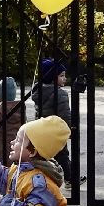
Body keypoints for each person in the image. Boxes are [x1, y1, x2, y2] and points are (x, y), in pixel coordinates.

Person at [32, 58, 78, 190]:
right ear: (52, 77)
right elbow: (65, 114)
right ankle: (70, 179)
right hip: (56, 129)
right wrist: (69, 129)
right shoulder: (60, 94)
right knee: (63, 155)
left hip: (41, 129)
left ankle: (41, 179)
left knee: (43, 156)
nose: (65, 78)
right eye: (62, 75)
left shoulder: (39, 92)